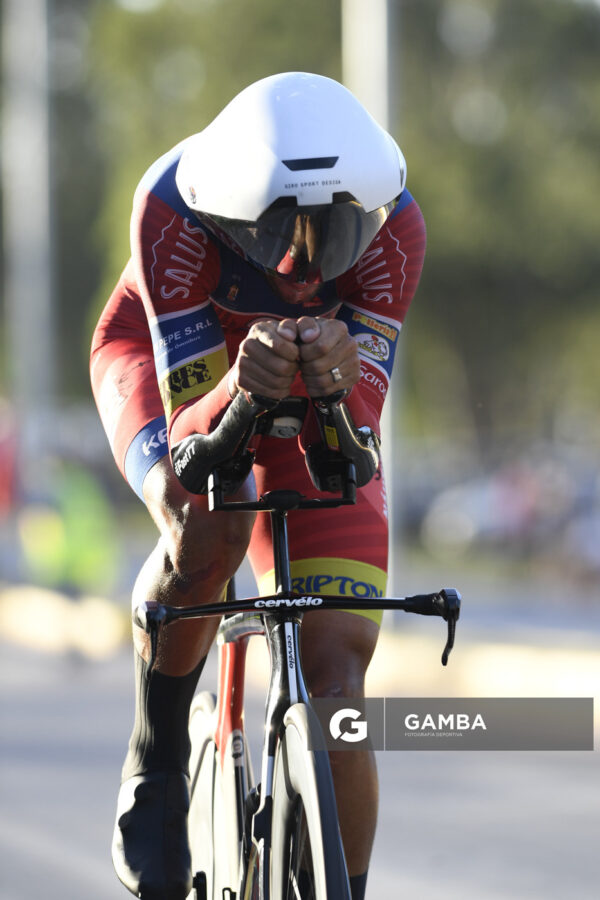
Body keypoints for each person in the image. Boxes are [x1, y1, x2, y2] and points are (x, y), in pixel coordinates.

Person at [90, 71, 426, 900]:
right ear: (232, 214)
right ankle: (157, 759)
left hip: (313, 389)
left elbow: (355, 448)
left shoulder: (401, 224)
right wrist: (242, 390)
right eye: (280, 233)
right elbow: (191, 442)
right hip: (177, 369)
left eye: (337, 235)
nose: (305, 265)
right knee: (207, 523)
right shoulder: (171, 208)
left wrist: (345, 385)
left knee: (338, 682)